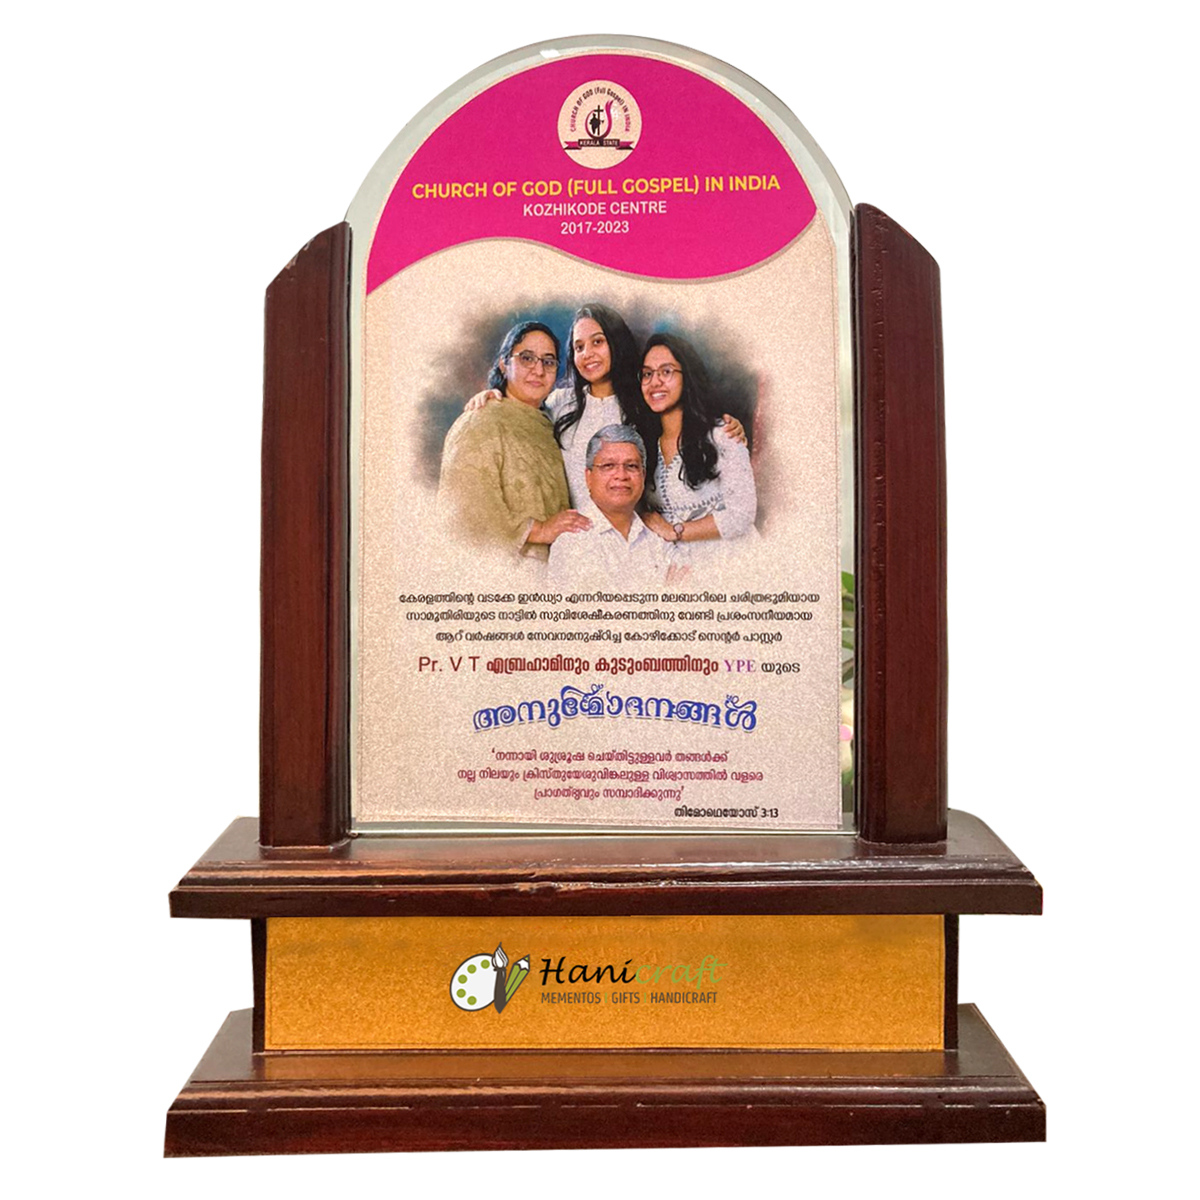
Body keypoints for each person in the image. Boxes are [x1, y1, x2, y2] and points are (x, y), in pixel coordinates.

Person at [465, 304, 746, 508]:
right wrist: (495, 393)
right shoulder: (560, 403)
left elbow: (684, 422)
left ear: (615, 343)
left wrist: (728, 426)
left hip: (633, 537)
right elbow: (522, 413)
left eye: (597, 342)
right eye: (579, 347)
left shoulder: (643, 402)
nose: (587, 354)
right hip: (574, 538)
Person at [437, 322, 589, 564]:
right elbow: (462, 510)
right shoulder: (480, 421)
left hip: (557, 571)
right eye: (527, 358)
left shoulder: (549, 425)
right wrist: (539, 530)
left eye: (548, 361)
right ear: (503, 364)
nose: (539, 370)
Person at [636, 332, 759, 565]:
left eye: (666, 371)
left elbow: (742, 514)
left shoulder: (722, 434)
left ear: (687, 376)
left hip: (733, 562)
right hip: (677, 566)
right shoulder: (643, 443)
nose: (655, 382)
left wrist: (675, 530)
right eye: (647, 374)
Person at [547, 425, 677, 588]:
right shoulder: (572, 541)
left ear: (643, 476)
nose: (621, 475)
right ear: (589, 477)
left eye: (631, 466)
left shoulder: (656, 536)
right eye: (608, 465)